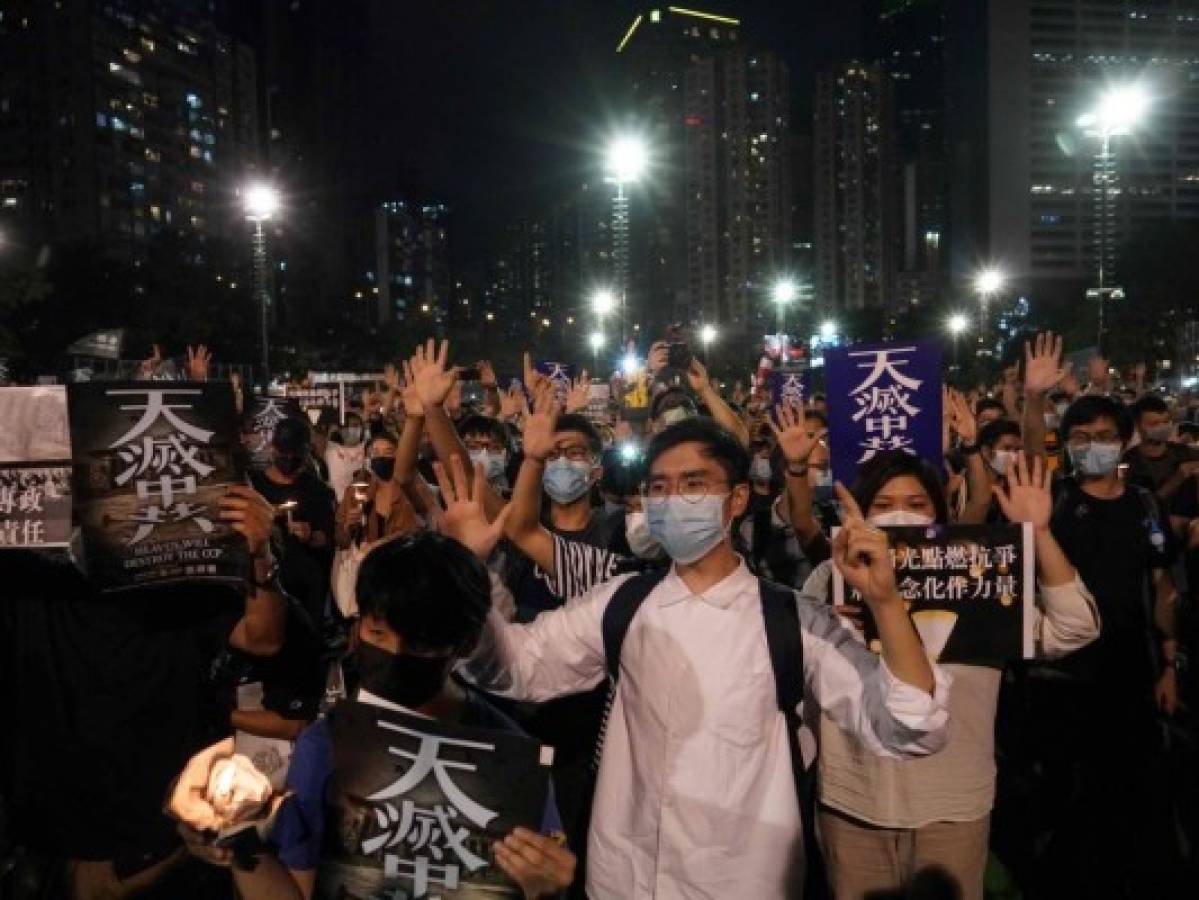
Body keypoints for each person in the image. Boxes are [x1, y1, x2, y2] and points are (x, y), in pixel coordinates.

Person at [463, 411, 951, 899]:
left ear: (736, 499)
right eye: (658, 487)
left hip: (743, 879)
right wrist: (467, 566)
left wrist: (886, 603)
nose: (673, 500)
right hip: (624, 877)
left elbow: (908, 727)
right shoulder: (621, 601)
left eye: (693, 483)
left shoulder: (791, 618)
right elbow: (516, 667)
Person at [168, 527, 576, 900]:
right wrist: (238, 839)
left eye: (419, 645)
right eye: (377, 633)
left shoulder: (510, 762)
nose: (394, 654)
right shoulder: (328, 744)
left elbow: (533, 877)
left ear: (466, 644)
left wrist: (548, 890)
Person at [793, 449, 1097, 900]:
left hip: (952, 802)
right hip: (854, 801)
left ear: (940, 511)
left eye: (917, 504)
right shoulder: (831, 577)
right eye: (882, 504)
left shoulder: (975, 576)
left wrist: (1039, 535)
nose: (900, 513)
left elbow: (1074, 627)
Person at [1025, 394, 1183, 897]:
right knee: (1064, 792)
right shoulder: (1057, 499)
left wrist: (1169, 663)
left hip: (1130, 670)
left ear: (1124, 441)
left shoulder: (1144, 503)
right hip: (1062, 674)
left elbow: (1162, 586)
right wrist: (1032, 399)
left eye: (1104, 437)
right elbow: (1030, 454)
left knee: (1130, 789)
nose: (1092, 446)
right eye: (1080, 437)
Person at [249, 416, 336, 625]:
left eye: (295, 454)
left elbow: (327, 537)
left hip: (305, 585)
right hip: (263, 582)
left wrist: (310, 536)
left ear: (306, 452)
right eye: (283, 452)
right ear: (272, 448)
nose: (288, 458)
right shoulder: (254, 486)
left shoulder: (317, 490)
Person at [333, 430, 419, 549]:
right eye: (375, 453)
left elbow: (419, 533)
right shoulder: (356, 492)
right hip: (365, 562)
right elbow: (341, 540)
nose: (381, 457)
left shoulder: (410, 493)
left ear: (398, 456)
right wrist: (348, 527)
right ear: (368, 459)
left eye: (388, 452)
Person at [1123, 393, 1199, 501]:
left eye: (1166, 421)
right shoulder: (1129, 462)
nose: (1163, 427)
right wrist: (1176, 480)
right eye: (1154, 424)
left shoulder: (1183, 452)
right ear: (1137, 426)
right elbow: (1141, 506)